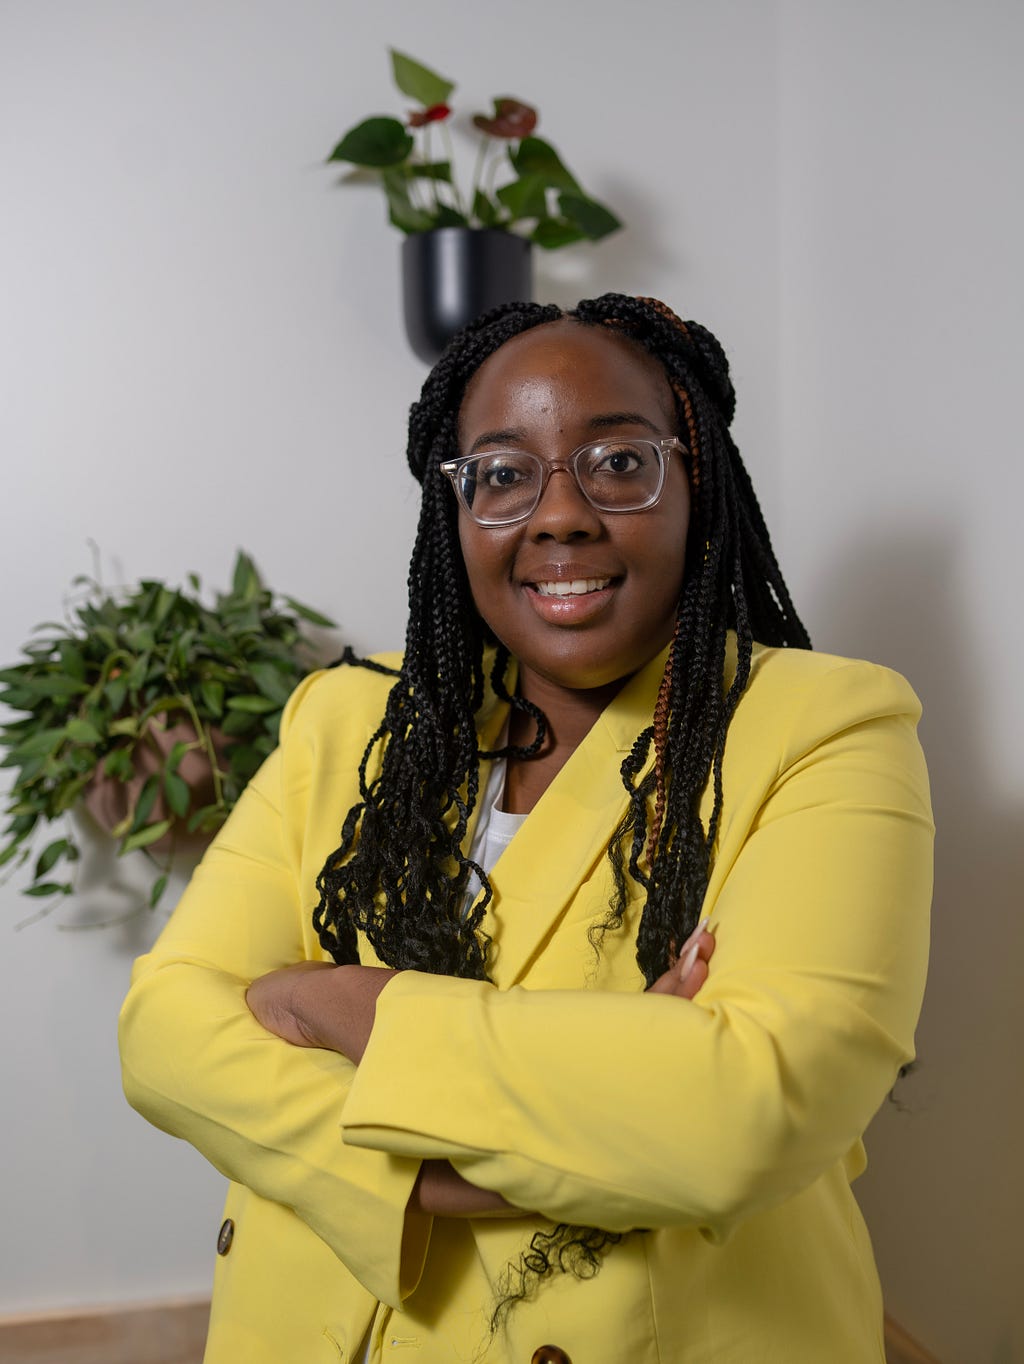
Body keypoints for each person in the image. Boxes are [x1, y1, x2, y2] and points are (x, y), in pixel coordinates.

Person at [118, 294, 933, 1364]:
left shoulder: (829, 727)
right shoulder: (354, 722)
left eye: (617, 462)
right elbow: (166, 1035)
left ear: (696, 479)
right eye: (502, 473)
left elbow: (750, 1106)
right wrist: (464, 1166)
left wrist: (340, 1003)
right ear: (453, 510)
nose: (559, 515)